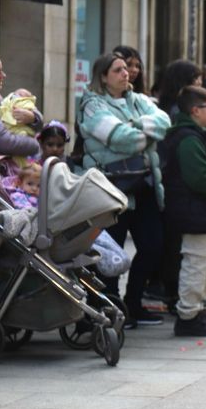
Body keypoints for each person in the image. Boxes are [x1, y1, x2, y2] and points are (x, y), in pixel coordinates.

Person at [77, 53, 171, 326]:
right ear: (103, 76)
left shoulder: (138, 99)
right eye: (117, 70)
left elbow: (164, 122)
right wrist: (146, 134)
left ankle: (134, 301)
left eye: (125, 69)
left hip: (144, 186)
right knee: (111, 250)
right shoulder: (92, 104)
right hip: (111, 189)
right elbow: (119, 138)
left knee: (153, 246)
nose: (125, 73)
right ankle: (112, 304)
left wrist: (134, 127)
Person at [161, 86, 206, 336]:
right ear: (195, 111)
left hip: (203, 210)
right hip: (193, 210)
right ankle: (188, 315)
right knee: (196, 262)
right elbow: (199, 178)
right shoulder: (188, 139)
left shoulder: (198, 135)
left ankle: (197, 309)